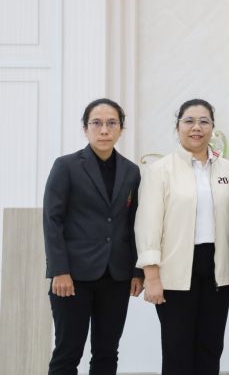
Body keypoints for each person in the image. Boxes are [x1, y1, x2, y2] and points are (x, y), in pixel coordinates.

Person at [135, 99, 229, 375]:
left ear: (212, 127)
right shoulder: (160, 171)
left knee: (211, 347)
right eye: (189, 121)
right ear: (178, 126)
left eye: (204, 121)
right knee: (177, 350)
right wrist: (152, 276)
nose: (196, 127)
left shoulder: (227, 170)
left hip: (217, 268)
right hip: (175, 271)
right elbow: (147, 224)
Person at [43, 98, 143, 375]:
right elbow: (52, 221)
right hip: (73, 277)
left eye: (112, 123)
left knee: (107, 352)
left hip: (116, 276)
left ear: (121, 129)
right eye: (96, 123)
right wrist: (59, 271)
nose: (104, 130)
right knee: (67, 351)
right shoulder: (66, 166)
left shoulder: (131, 171)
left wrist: (137, 269)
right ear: (85, 129)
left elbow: (134, 223)